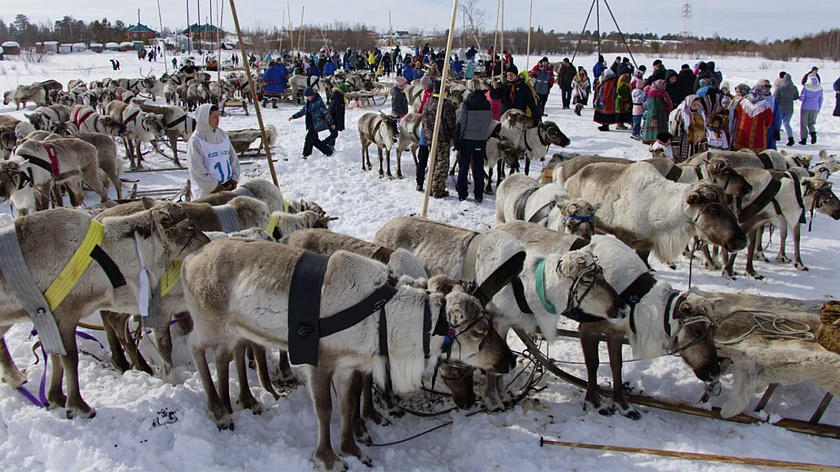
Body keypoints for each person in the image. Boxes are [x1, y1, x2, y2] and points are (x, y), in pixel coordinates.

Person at [187, 104, 240, 198]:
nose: (217, 120)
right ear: (204, 118)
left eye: (218, 116)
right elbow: (197, 170)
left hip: (227, 190)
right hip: (206, 194)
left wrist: (233, 180)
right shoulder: (196, 140)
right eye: (214, 117)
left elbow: (233, 159)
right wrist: (216, 187)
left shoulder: (222, 135)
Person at [454, 80, 492, 202]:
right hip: (481, 139)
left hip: (467, 139)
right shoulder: (487, 103)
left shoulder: (466, 103)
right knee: (478, 167)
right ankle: (479, 194)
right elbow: (489, 120)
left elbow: (462, 122)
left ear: (469, 89)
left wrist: (457, 139)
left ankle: (462, 192)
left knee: (464, 166)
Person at [421, 80, 457, 198]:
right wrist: (452, 135)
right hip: (442, 138)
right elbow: (451, 123)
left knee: (433, 161)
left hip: (430, 137)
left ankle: (431, 186)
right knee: (442, 163)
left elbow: (424, 121)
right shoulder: (446, 105)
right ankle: (437, 188)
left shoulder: (428, 102)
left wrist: (427, 135)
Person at [289, 87, 335, 159]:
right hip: (310, 123)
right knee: (314, 140)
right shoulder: (308, 102)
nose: (307, 98)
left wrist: (331, 123)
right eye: (306, 97)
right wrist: (294, 116)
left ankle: (306, 154)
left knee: (308, 139)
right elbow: (303, 111)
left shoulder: (318, 102)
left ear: (312, 95)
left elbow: (326, 113)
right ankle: (328, 151)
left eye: (308, 96)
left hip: (316, 123)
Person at [732, 84, 773, 152]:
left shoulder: (743, 102)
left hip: (743, 132)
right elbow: (769, 120)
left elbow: (738, 114)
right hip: (758, 134)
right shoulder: (765, 105)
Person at [671, 95, 708, 161]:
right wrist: (675, 147)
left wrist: (703, 143)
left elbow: (703, 129)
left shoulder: (700, 114)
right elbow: (675, 131)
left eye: (698, 105)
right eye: (694, 105)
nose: (696, 107)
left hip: (696, 143)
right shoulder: (681, 114)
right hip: (684, 143)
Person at [415, 75, 435, 191]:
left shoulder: (429, 98)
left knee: (423, 160)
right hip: (432, 138)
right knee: (425, 160)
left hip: (426, 137)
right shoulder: (427, 94)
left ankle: (422, 182)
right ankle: (422, 182)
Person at [642, 79, 673, 144]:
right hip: (655, 114)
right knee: (655, 130)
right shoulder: (653, 94)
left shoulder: (664, 93)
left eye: (665, 86)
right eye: (662, 86)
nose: (664, 87)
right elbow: (652, 106)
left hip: (662, 115)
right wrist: (653, 116)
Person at [773, 72, 799, 146]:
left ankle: (777, 136)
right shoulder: (794, 88)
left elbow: (775, 97)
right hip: (789, 108)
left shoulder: (780, 88)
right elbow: (796, 97)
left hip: (780, 108)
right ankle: (790, 138)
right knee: (787, 123)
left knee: (778, 123)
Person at [799, 74, 824, 144]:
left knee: (803, 124)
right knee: (811, 123)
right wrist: (818, 108)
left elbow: (802, 98)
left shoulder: (806, 87)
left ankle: (804, 139)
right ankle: (813, 133)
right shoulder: (820, 88)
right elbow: (821, 100)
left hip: (805, 107)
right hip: (815, 107)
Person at [757, 79, 781, 150]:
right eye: (765, 86)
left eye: (769, 86)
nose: (767, 88)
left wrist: (777, 130)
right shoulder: (755, 98)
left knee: (770, 149)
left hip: (770, 128)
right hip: (757, 128)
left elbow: (777, 116)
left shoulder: (773, 100)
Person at [326, 83, 347, 148]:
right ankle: (322, 144)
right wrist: (334, 123)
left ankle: (331, 146)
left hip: (332, 119)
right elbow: (338, 112)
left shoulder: (336, 97)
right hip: (333, 120)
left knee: (334, 134)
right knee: (334, 134)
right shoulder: (338, 99)